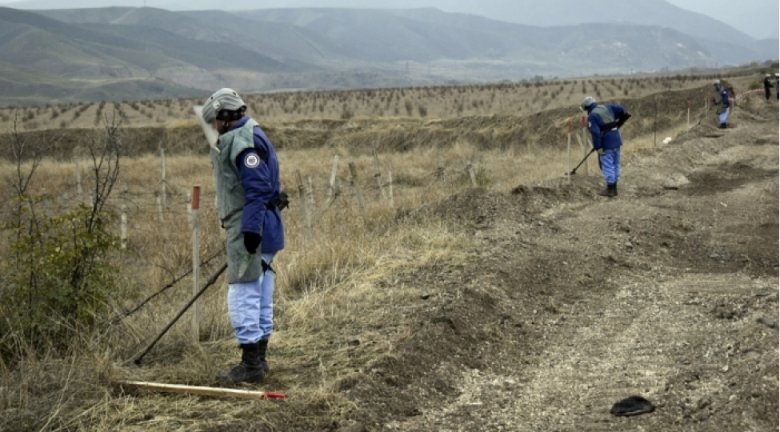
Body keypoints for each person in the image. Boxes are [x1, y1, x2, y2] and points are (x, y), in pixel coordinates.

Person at [201, 88, 286, 384]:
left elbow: (258, 187)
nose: (213, 125)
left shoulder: (241, 141)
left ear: (225, 116)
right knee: (260, 294)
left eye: (215, 119)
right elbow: (267, 183)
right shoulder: (252, 132)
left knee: (243, 293)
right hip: (264, 224)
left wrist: (250, 230)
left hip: (252, 227)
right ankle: (258, 362)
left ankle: (250, 365)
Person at [580, 96, 631, 198]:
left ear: (587, 108)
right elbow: (621, 109)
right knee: (615, 164)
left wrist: (598, 147)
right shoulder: (607, 107)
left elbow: (595, 132)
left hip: (606, 143)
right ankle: (614, 187)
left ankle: (611, 190)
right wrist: (618, 121)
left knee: (607, 165)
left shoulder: (592, 116)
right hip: (616, 140)